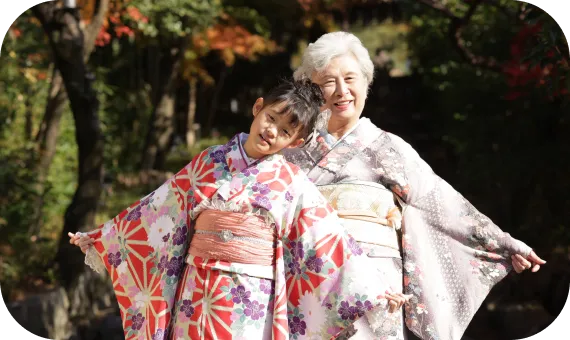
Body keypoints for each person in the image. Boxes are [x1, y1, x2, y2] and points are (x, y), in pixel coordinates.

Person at [69, 78, 409, 340]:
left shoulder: (290, 181)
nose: (272, 131)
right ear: (258, 108)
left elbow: (325, 240)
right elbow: (161, 208)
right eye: (271, 117)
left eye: (286, 131)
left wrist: (374, 287)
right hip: (196, 284)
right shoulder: (210, 161)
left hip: (249, 295)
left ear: (295, 141)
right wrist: (105, 236)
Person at [283, 31, 546, 340]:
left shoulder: (389, 148)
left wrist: (504, 243)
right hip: (308, 286)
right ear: (310, 90)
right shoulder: (289, 151)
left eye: (350, 79)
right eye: (328, 82)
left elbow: (443, 206)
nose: (342, 91)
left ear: (366, 83)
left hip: (377, 289)